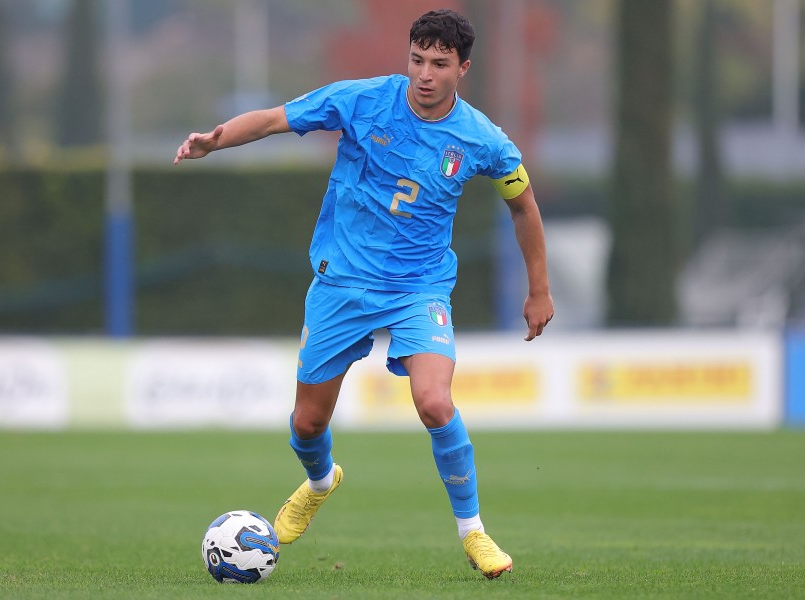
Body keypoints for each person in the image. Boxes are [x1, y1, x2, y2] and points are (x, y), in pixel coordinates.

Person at [174, 8, 553, 579]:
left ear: (463, 69)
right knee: (306, 424)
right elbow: (276, 119)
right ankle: (321, 480)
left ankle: (474, 533)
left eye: (439, 64)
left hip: (419, 288)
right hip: (341, 282)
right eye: (417, 60)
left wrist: (539, 291)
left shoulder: (481, 140)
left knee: (435, 403)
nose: (424, 74)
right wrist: (215, 141)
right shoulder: (362, 100)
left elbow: (522, 204)